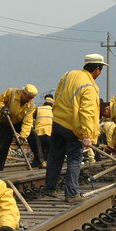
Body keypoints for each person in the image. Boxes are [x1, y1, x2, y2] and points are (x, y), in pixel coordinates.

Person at [42, 53, 105, 202]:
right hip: (73, 127)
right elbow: (87, 112)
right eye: (100, 70)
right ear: (97, 69)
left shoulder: (68, 74)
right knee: (74, 160)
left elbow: (58, 94)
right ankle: (71, 194)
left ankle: (50, 189)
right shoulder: (89, 86)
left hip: (57, 122)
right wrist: (87, 135)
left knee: (54, 157)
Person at [0, 84, 38, 171]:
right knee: (1, 146)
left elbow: (27, 123)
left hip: (18, 123)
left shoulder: (31, 105)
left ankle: (40, 160)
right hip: (5, 122)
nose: (28, 100)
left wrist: (23, 137)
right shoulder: (11, 92)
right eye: (27, 97)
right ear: (23, 93)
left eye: (30, 98)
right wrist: (3, 108)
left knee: (33, 135)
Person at [28, 94, 54, 166]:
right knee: (50, 151)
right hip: (49, 133)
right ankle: (49, 165)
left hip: (38, 133)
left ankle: (36, 164)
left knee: (39, 151)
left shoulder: (38, 109)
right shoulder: (54, 110)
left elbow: (31, 118)